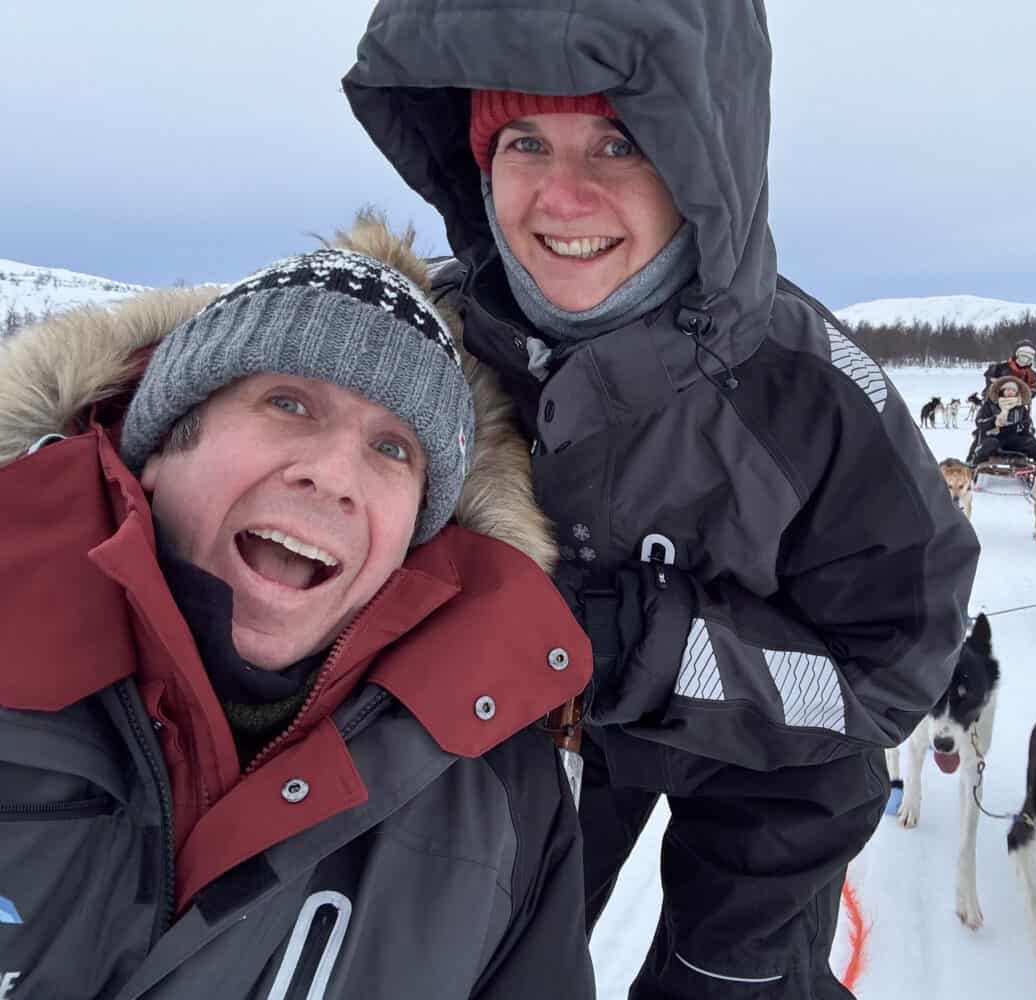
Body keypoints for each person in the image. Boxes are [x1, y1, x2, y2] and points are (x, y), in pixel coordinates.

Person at [345, 4, 980, 996]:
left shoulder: (810, 391)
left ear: (698, 162)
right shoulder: (419, 349)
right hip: (520, 741)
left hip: (769, 778)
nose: (563, 193)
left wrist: (653, 649)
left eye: (619, 140)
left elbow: (895, 667)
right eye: (524, 141)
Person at [0, 217, 597, 999]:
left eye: (393, 449)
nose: (333, 475)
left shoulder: (498, 792)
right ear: (160, 446)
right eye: (289, 403)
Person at [967, 374, 1036, 466]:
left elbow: (1028, 426)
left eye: (1013, 390)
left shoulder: (1021, 408)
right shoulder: (990, 405)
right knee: (988, 445)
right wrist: (994, 421)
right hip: (993, 438)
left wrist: (1024, 429)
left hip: (1014, 439)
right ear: (1002, 391)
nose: (1010, 392)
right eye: (1007, 389)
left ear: (1017, 392)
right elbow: (979, 423)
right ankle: (973, 469)